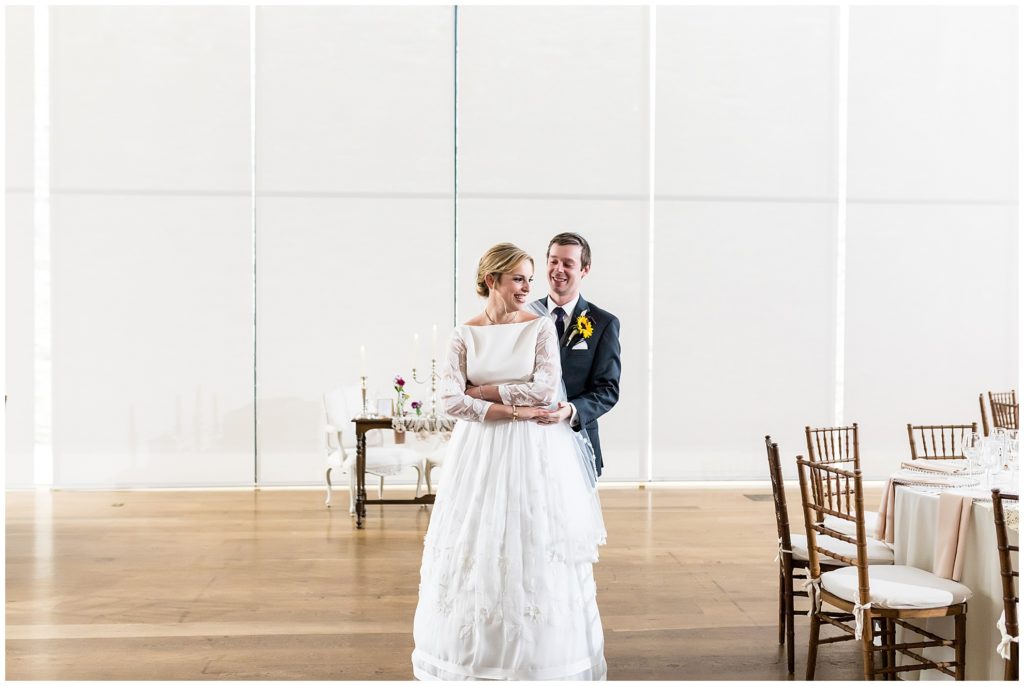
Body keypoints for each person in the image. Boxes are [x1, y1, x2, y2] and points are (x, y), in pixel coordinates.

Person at [411, 243, 607, 681]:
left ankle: (540, 656)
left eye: (529, 279)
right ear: (492, 280)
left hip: (532, 449)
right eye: (518, 278)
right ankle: (474, 655)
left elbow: (545, 389)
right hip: (478, 452)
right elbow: (448, 400)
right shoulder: (463, 334)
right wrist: (509, 409)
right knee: (478, 540)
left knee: (530, 536)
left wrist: (481, 393)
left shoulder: (538, 328)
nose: (527, 288)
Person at [530, 233, 621, 477]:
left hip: (577, 440)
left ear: (585, 269)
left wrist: (570, 410)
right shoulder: (523, 317)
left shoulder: (603, 323)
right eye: (553, 261)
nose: (558, 269)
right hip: (528, 440)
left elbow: (608, 390)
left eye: (568, 263)